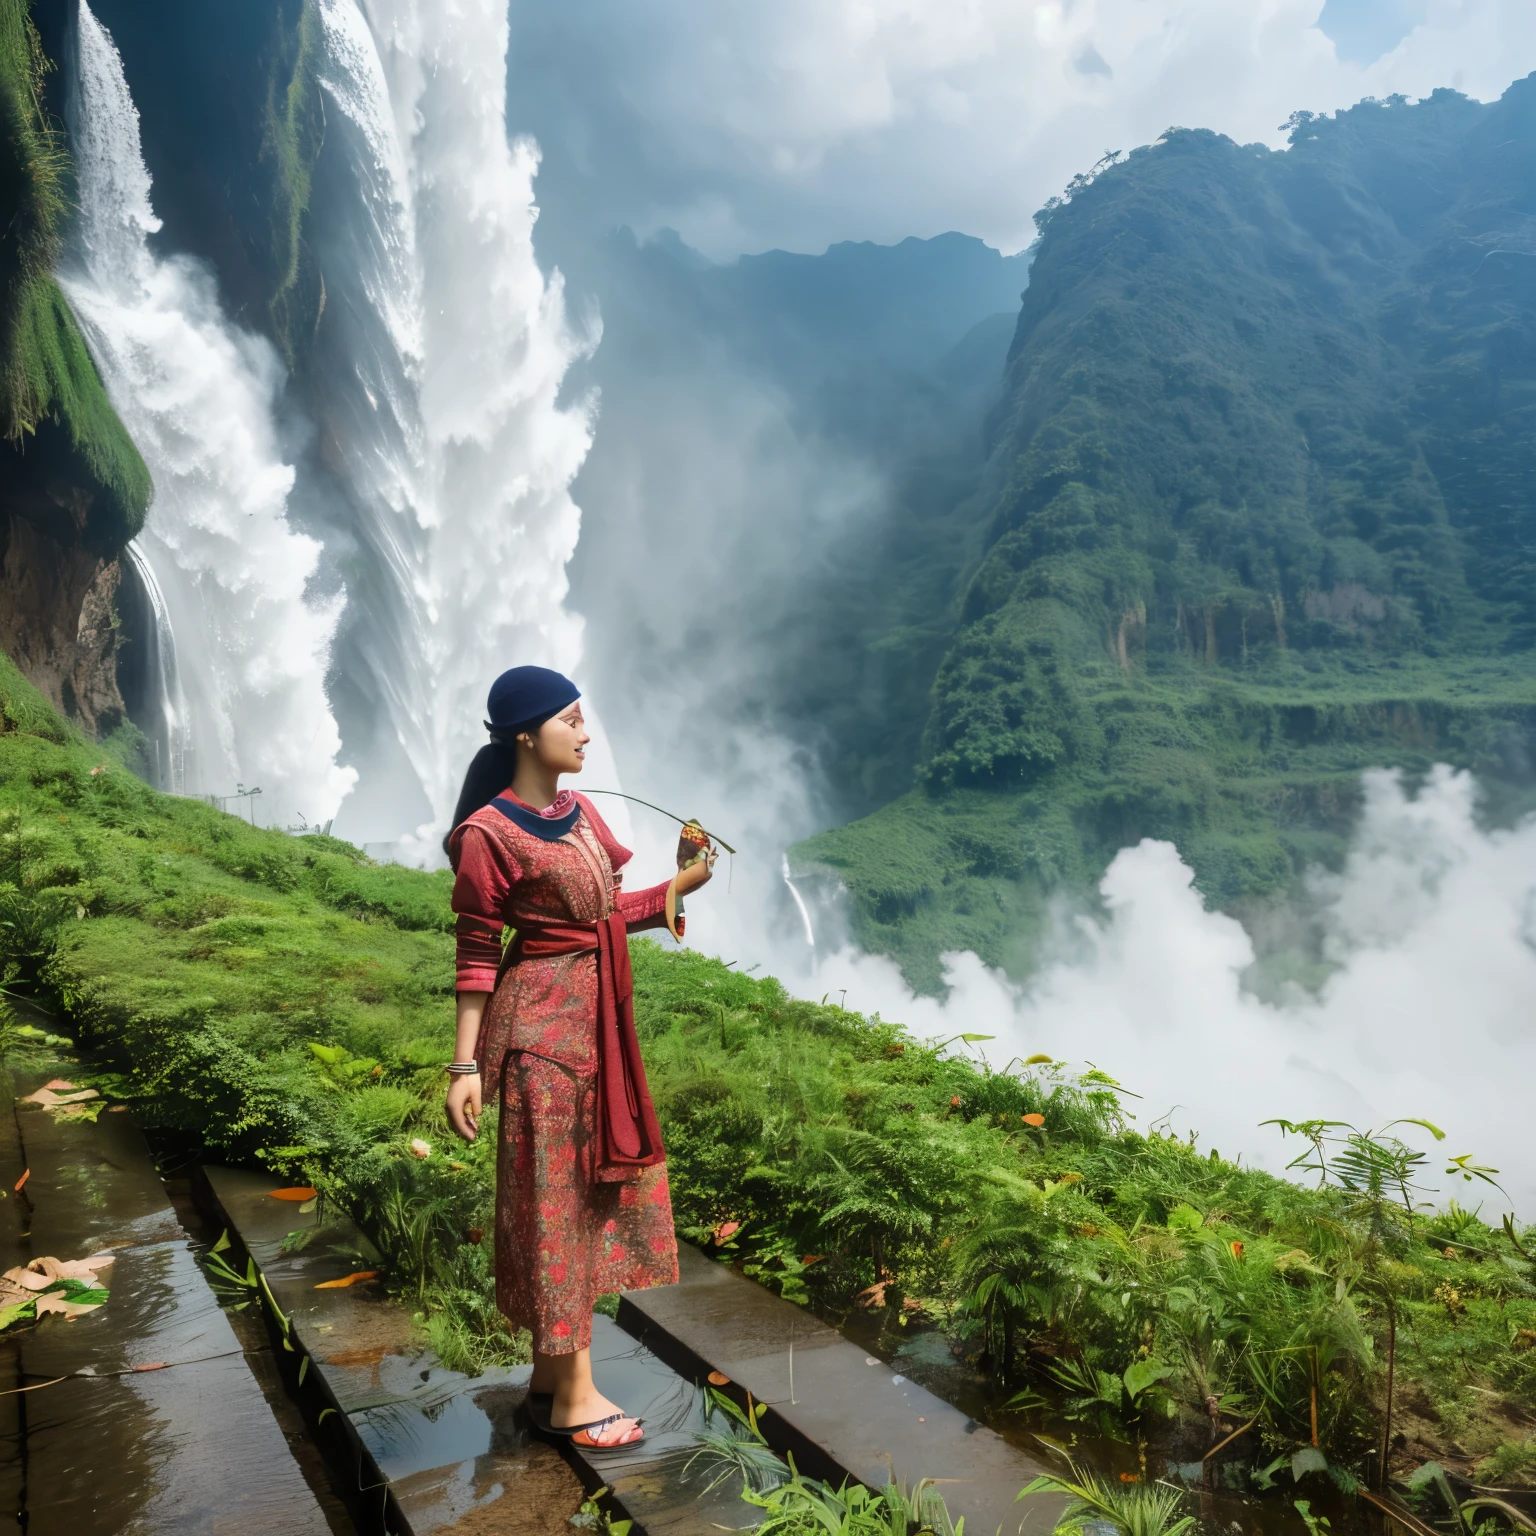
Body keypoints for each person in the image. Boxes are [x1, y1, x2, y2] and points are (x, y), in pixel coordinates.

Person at [443, 665, 712, 1452]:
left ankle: (548, 1380)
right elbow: (474, 952)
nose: (587, 733)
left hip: (596, 1033)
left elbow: (605, 913)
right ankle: (576, 1399)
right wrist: (465, 1069)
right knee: (555, 1207)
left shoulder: (580, 812)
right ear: (528, 735)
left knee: (573, 1204)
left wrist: (681, 882)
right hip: (541, 1045)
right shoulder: (490, 834)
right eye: (572, 720)